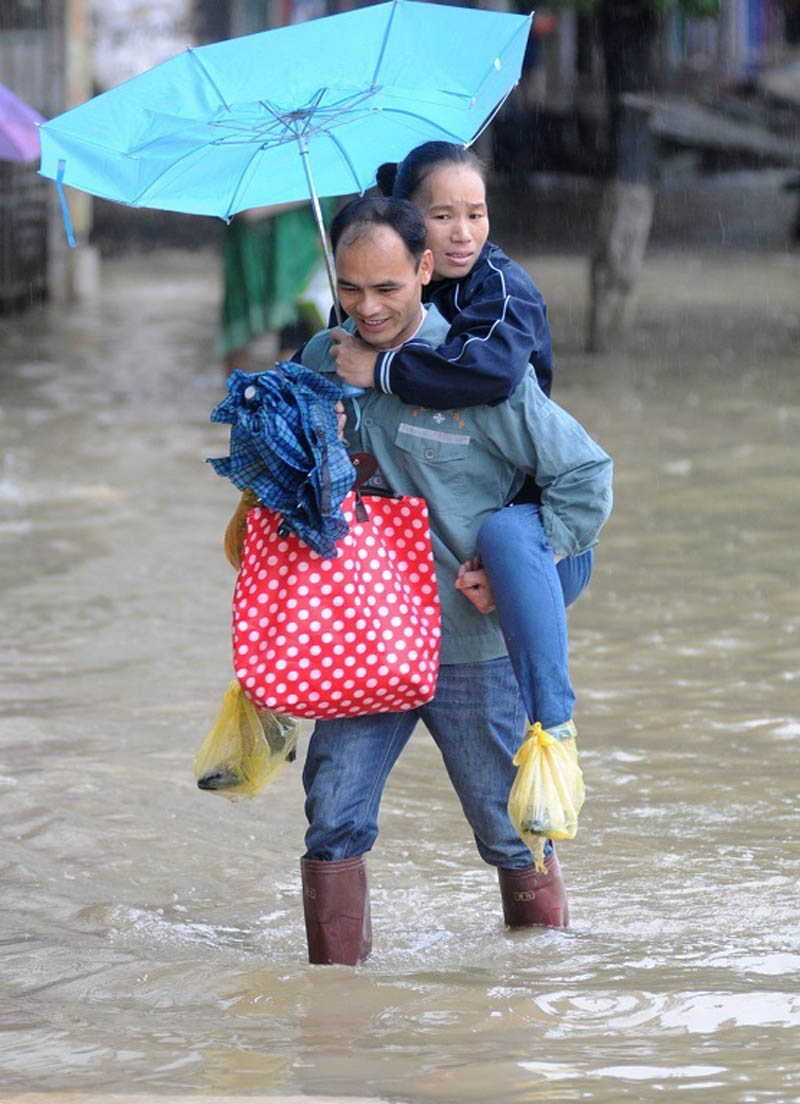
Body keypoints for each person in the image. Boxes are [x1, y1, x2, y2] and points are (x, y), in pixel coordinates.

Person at [291, 196, 612, 964]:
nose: (367, 307)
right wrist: (313, 447)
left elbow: (586, 477)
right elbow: (275, 491)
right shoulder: (317, 365)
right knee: (331, 812)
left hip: (470, 644)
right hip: (362, 649)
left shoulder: (477, 373)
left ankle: (539, 996)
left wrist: (518, 568)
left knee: (512, 830)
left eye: (389, 288)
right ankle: (335, 1015)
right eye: (350, 288)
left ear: (425, 271)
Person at [328, 141, 591, 755]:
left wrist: (382, 369)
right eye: (442, 216)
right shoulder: (375, 296)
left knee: (501, 537)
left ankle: (554, 734)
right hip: (432, 558)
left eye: (476, 213)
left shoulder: (500, 287)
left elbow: (494, 373)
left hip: (528, 515)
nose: (462, 234)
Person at [216, 202, 330, 376]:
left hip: (296, 254)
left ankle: (288, 395)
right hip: (254, 254)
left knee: (294, 334)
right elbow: (246, 211)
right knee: (240, 326)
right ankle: (239, 395)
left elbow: (248, 211)